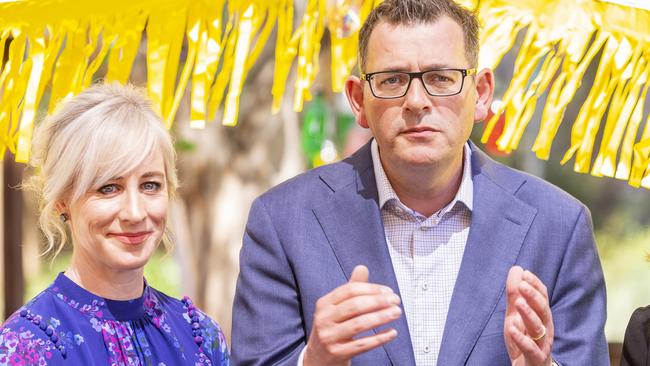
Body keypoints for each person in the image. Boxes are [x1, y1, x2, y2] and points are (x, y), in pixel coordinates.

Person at [232, 0, 609, 365]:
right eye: (392, 79)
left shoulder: (558, 226)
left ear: (480, 95)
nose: (416, 100)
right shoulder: (284, 221)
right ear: (358, 100)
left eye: (440, 78)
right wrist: (314, 362)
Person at [0, 83, 230, 365]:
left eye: (150, 185)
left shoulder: (202, 338)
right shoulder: (25, 347)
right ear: (62, 199)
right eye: (108, 188)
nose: (135, 213)